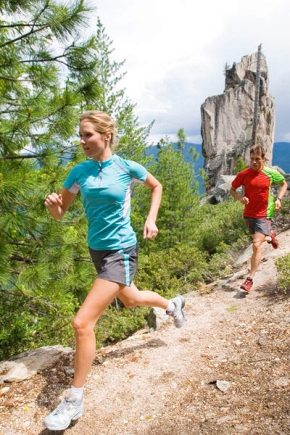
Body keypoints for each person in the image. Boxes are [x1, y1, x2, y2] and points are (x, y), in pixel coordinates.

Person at [43, 110, 186, 431]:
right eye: (80, 135)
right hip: (98, 250)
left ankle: (74, 400)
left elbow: (156, 185)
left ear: (106, 135)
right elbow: (60, 212)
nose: (82, 141)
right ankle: (172, 305)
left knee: (82, 322)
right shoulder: (78, 173)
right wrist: (54, 207)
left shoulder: (126, 167)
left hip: (122, 250)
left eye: (87, 135)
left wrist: (151, 219)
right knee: (132, 299)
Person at [230, 144, 288, 293]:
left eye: (257, 159)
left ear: (264, 159)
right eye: (252, 159)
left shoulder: (270, 173)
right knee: (259, 241)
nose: (254, 162)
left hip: (264, 213)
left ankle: (249, 279)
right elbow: (232, 190)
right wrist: (240, 198)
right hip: (249, 214)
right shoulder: (244, 174)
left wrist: (279, 199)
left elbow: (284, 184)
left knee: (256, 245)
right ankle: (270, 236)